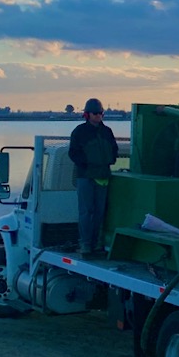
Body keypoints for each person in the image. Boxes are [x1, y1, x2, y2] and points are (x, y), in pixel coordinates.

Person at [69, 98, 118, 256]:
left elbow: (114, 150)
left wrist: (108, 162)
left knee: (99, 212)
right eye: (96, 113)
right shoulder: (79, 132)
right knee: (86, 211)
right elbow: (73, 153)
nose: (99, 116)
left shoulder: (107, 132)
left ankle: (97, 243)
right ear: (87, 114)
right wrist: (88, 164)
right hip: (85, 177)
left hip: (103, 177)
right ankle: (85, 244)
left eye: (101, 113)